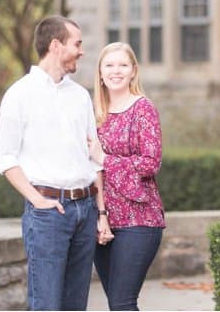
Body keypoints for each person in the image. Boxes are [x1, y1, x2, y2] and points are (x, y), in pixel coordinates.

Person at [0, 15, 108, 311]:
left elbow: (93, 158)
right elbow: (5, 158)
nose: (82, 51)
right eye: (77, 44)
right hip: (48, 214)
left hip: (84, 210)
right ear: (56, 45)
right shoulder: (19, 95)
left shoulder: (80, 96)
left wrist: (100, 212)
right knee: (46, 305)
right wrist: (36, 200)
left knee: (75, 306)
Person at [88, 42, 166, 311]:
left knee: (122, 302)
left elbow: (150, 163)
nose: (116, 71)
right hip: (102, 220)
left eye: (123, 65)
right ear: (100, 72)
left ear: (134, 71)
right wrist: (100, 216)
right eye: (109, 65)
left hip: (139, 219)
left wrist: (106, 159)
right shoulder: (93, 113)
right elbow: (89, 168)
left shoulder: (143, 108)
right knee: (116, 303)